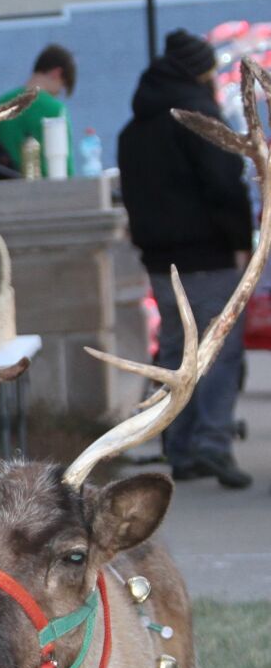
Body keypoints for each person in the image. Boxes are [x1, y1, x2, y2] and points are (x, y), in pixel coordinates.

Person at [118, 28, 255, 489]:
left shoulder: (134, 129)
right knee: (219, 351)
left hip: (160, 260)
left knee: (176, 353)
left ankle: (178, 446)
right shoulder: (200, 118)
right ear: (199, 71)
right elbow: (224, 184)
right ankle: (212, 443)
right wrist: (241, 240)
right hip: (209, 254)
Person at [0, 42, 77, 174]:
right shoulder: (55, 109)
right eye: (62, 86)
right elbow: (65, 166)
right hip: (46, 190)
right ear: (56, 73)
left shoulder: (0, 104)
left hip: (5, 189)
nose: (58, 93)